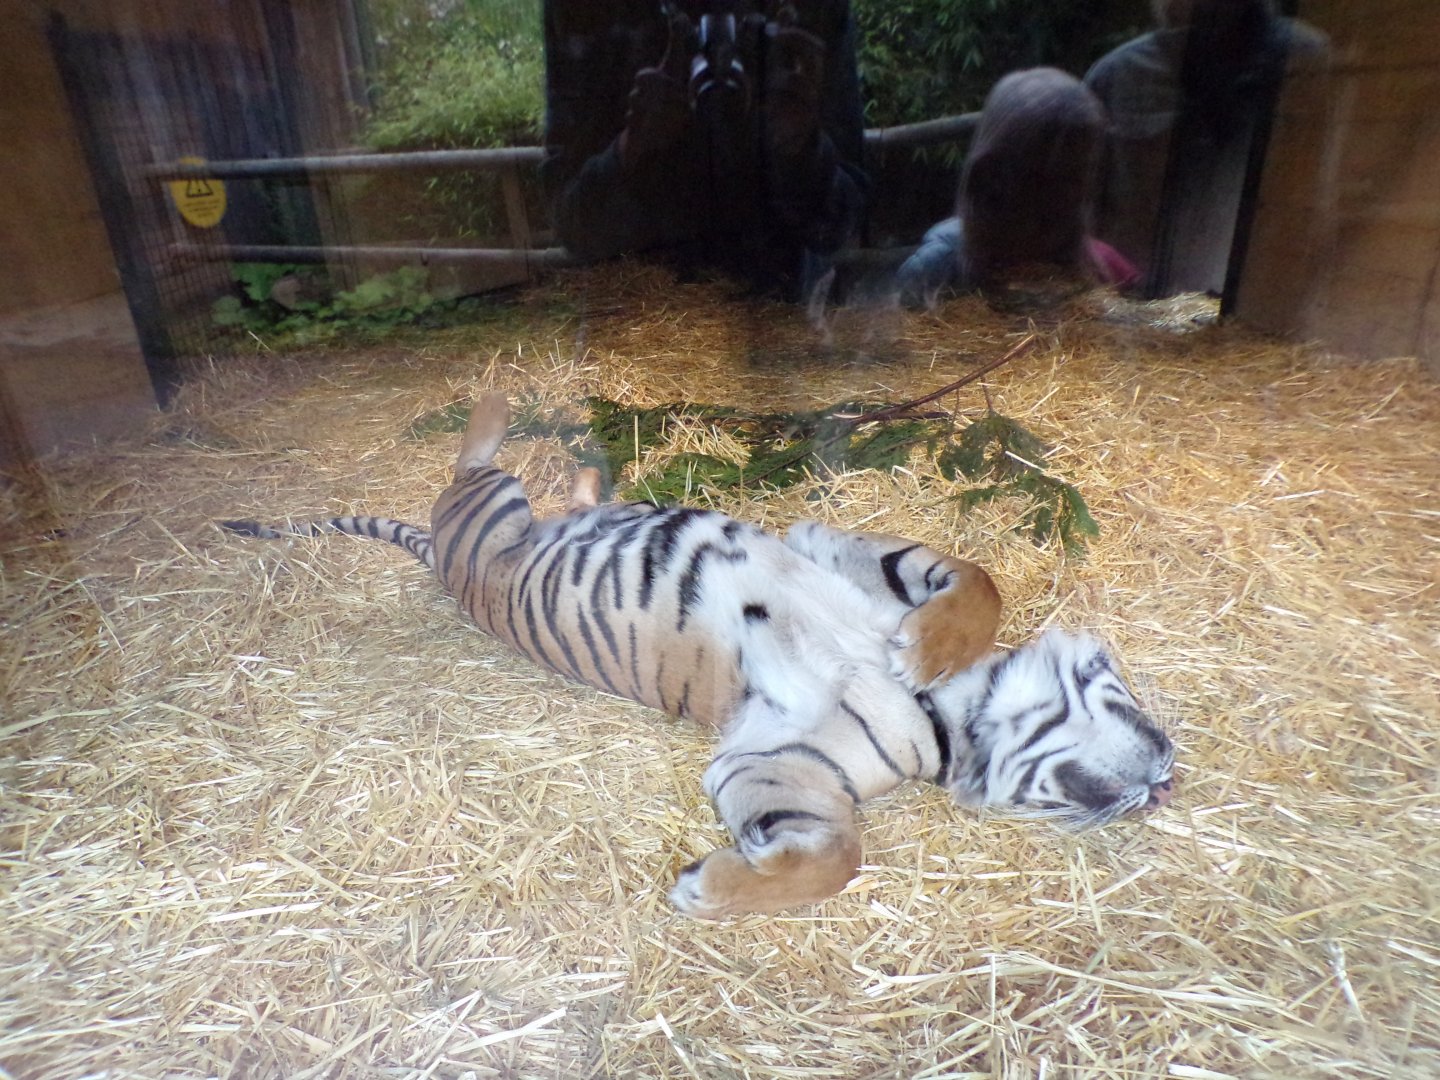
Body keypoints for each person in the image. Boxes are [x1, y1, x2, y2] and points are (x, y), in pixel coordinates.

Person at [541, 0, 867, 300]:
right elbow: (572, 225)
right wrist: (633, 147)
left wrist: (800, 143)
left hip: (654, 332)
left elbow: (842, 221)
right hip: (765, 327)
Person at [1084, 0, 1328, 298]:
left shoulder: (1302, 58)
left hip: (1264, 301)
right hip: (1135, 302)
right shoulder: (1118, 75)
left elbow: (1319, 191)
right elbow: (1084, 211)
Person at [895, 68, 1138, 309]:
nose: (1062, 199)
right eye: (1042, 178)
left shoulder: (1109, 274)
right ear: (989, 176)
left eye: (1076, 177)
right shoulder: (936, 274)